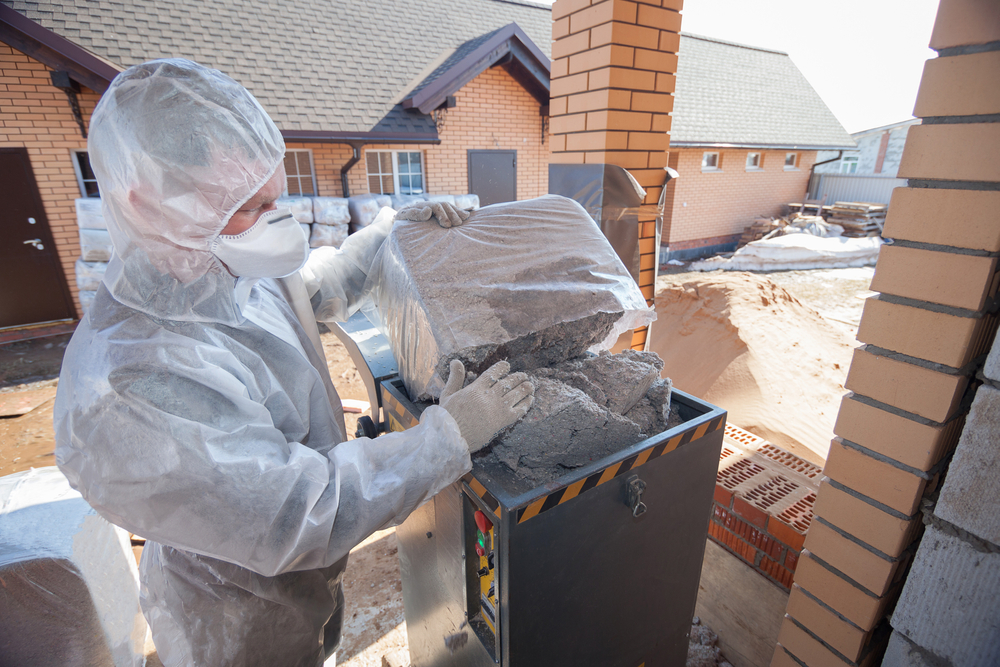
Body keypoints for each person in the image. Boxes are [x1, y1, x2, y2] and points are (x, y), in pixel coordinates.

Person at [53, 58, 534, 667]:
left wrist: (392, 234)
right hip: (237, 619)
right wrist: (447, 435)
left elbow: (308, 289)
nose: (273, 223)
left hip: (303, 590)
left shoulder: (213, 267)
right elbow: (294, 513)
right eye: (250, 207)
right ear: (149, 206)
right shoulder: (130, 383)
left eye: (274, 196)